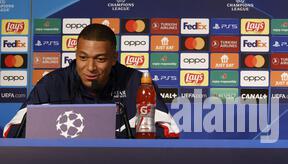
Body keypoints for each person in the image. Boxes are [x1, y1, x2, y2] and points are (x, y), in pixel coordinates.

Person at [2, 23, 179, 138]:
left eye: (100, 59)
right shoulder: (52, 85)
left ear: (113, 58)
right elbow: (12, 134)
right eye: (83, 58)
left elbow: (168, 134)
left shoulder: (137, 84)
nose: (90, 67)